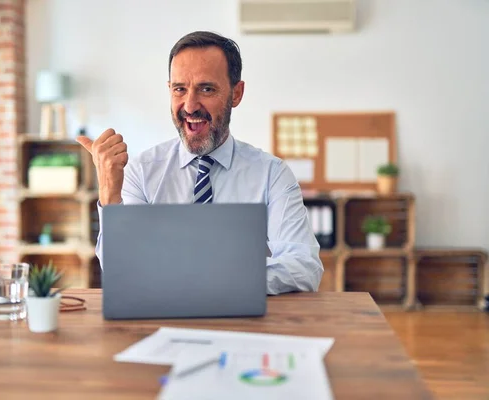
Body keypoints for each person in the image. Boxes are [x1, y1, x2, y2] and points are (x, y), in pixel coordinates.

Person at [77, 31, 323, 294]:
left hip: (245, 324)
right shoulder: (142, 171)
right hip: (162, 322)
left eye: (206, 89)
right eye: (179, 89)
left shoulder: (272, 175)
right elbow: (122, 270)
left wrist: (214, 279)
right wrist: (109, 193)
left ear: (236, 94)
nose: (190, 105)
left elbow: (303, 268)